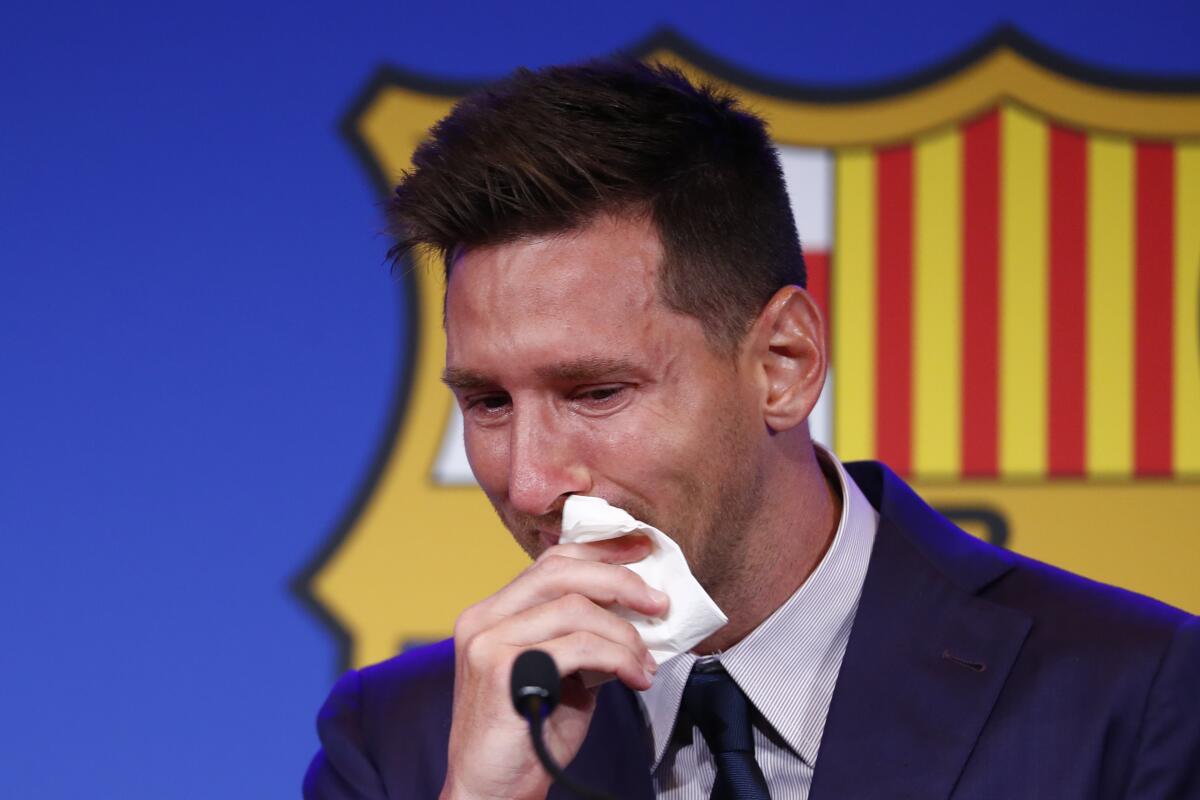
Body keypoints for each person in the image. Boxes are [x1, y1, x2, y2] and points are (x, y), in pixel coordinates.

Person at [304, 60, 1200, 800]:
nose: (532, 483)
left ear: (784, 363)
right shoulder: (401, 747)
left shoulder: (1136, 695)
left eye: (597, 391)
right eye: (488, 403)